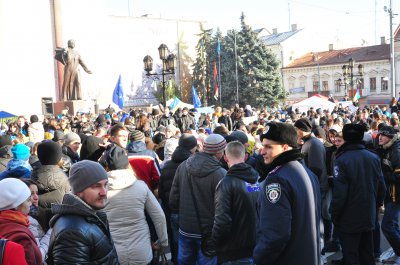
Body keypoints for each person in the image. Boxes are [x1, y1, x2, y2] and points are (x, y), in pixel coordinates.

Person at [253, 122, 321, 265]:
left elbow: (275, 234)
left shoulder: (277, 179)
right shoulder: (304, 171)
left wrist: (259, 258)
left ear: (285, 147)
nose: (262, 151)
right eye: (263, 145)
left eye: (268, 147)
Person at [102, 145, 168, 265]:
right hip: (142, 251)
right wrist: (163, 242)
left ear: (106, 167)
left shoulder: (101, 191)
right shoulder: (141, 186)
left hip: (114, 252)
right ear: (128, 164)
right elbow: (159, 216)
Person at [330, 124, 386, 265]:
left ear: (346, 137)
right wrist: (376, 205)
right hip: (368, 212)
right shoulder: (373, 157)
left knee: (351, 254)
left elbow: (340, 195)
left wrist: (335, 213)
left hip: (349, 216)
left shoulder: (342, 159)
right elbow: (382, 187)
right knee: (367, 253)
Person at [169, 134, 227, 265]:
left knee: (184, 262)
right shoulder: (220, 174)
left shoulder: (183, 166)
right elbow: (223, 208)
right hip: (208, 232)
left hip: (185, 228)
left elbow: (173, 199)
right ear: (219, 152)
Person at [47, 160, 119, 264]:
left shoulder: (91, 216)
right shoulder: (73, 231)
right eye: (96, 186)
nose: (104, 192)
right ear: (79, 191)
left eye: (105, 185)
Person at [212, 141, 260, 264]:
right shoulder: (258, 180)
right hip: (255, 246)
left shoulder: (226, 183)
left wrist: (215, 243)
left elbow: (222, 221)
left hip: (233, 252)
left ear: (225, 157)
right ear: (245, 157)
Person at [159, 133, 198, 264]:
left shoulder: (167, 165)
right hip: (190, 212)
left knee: (176, 245)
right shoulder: (193, 165)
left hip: (173, 211)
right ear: (192, 148)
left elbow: (161, 191)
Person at [0, 178, 42, 264]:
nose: (30, 203)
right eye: (27, 200)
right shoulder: (21, 237)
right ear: (16, 205)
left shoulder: (5, 222)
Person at [376, 125, 400, 264]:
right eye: (379, 134)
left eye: (383, 135)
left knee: (387, 225)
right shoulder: (385, 149)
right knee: (393, 225)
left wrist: (382, 174)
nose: (380, 137)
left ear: (390, 137)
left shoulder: (396, 150)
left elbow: (398, 176)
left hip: (396, 195)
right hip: (390, 194)